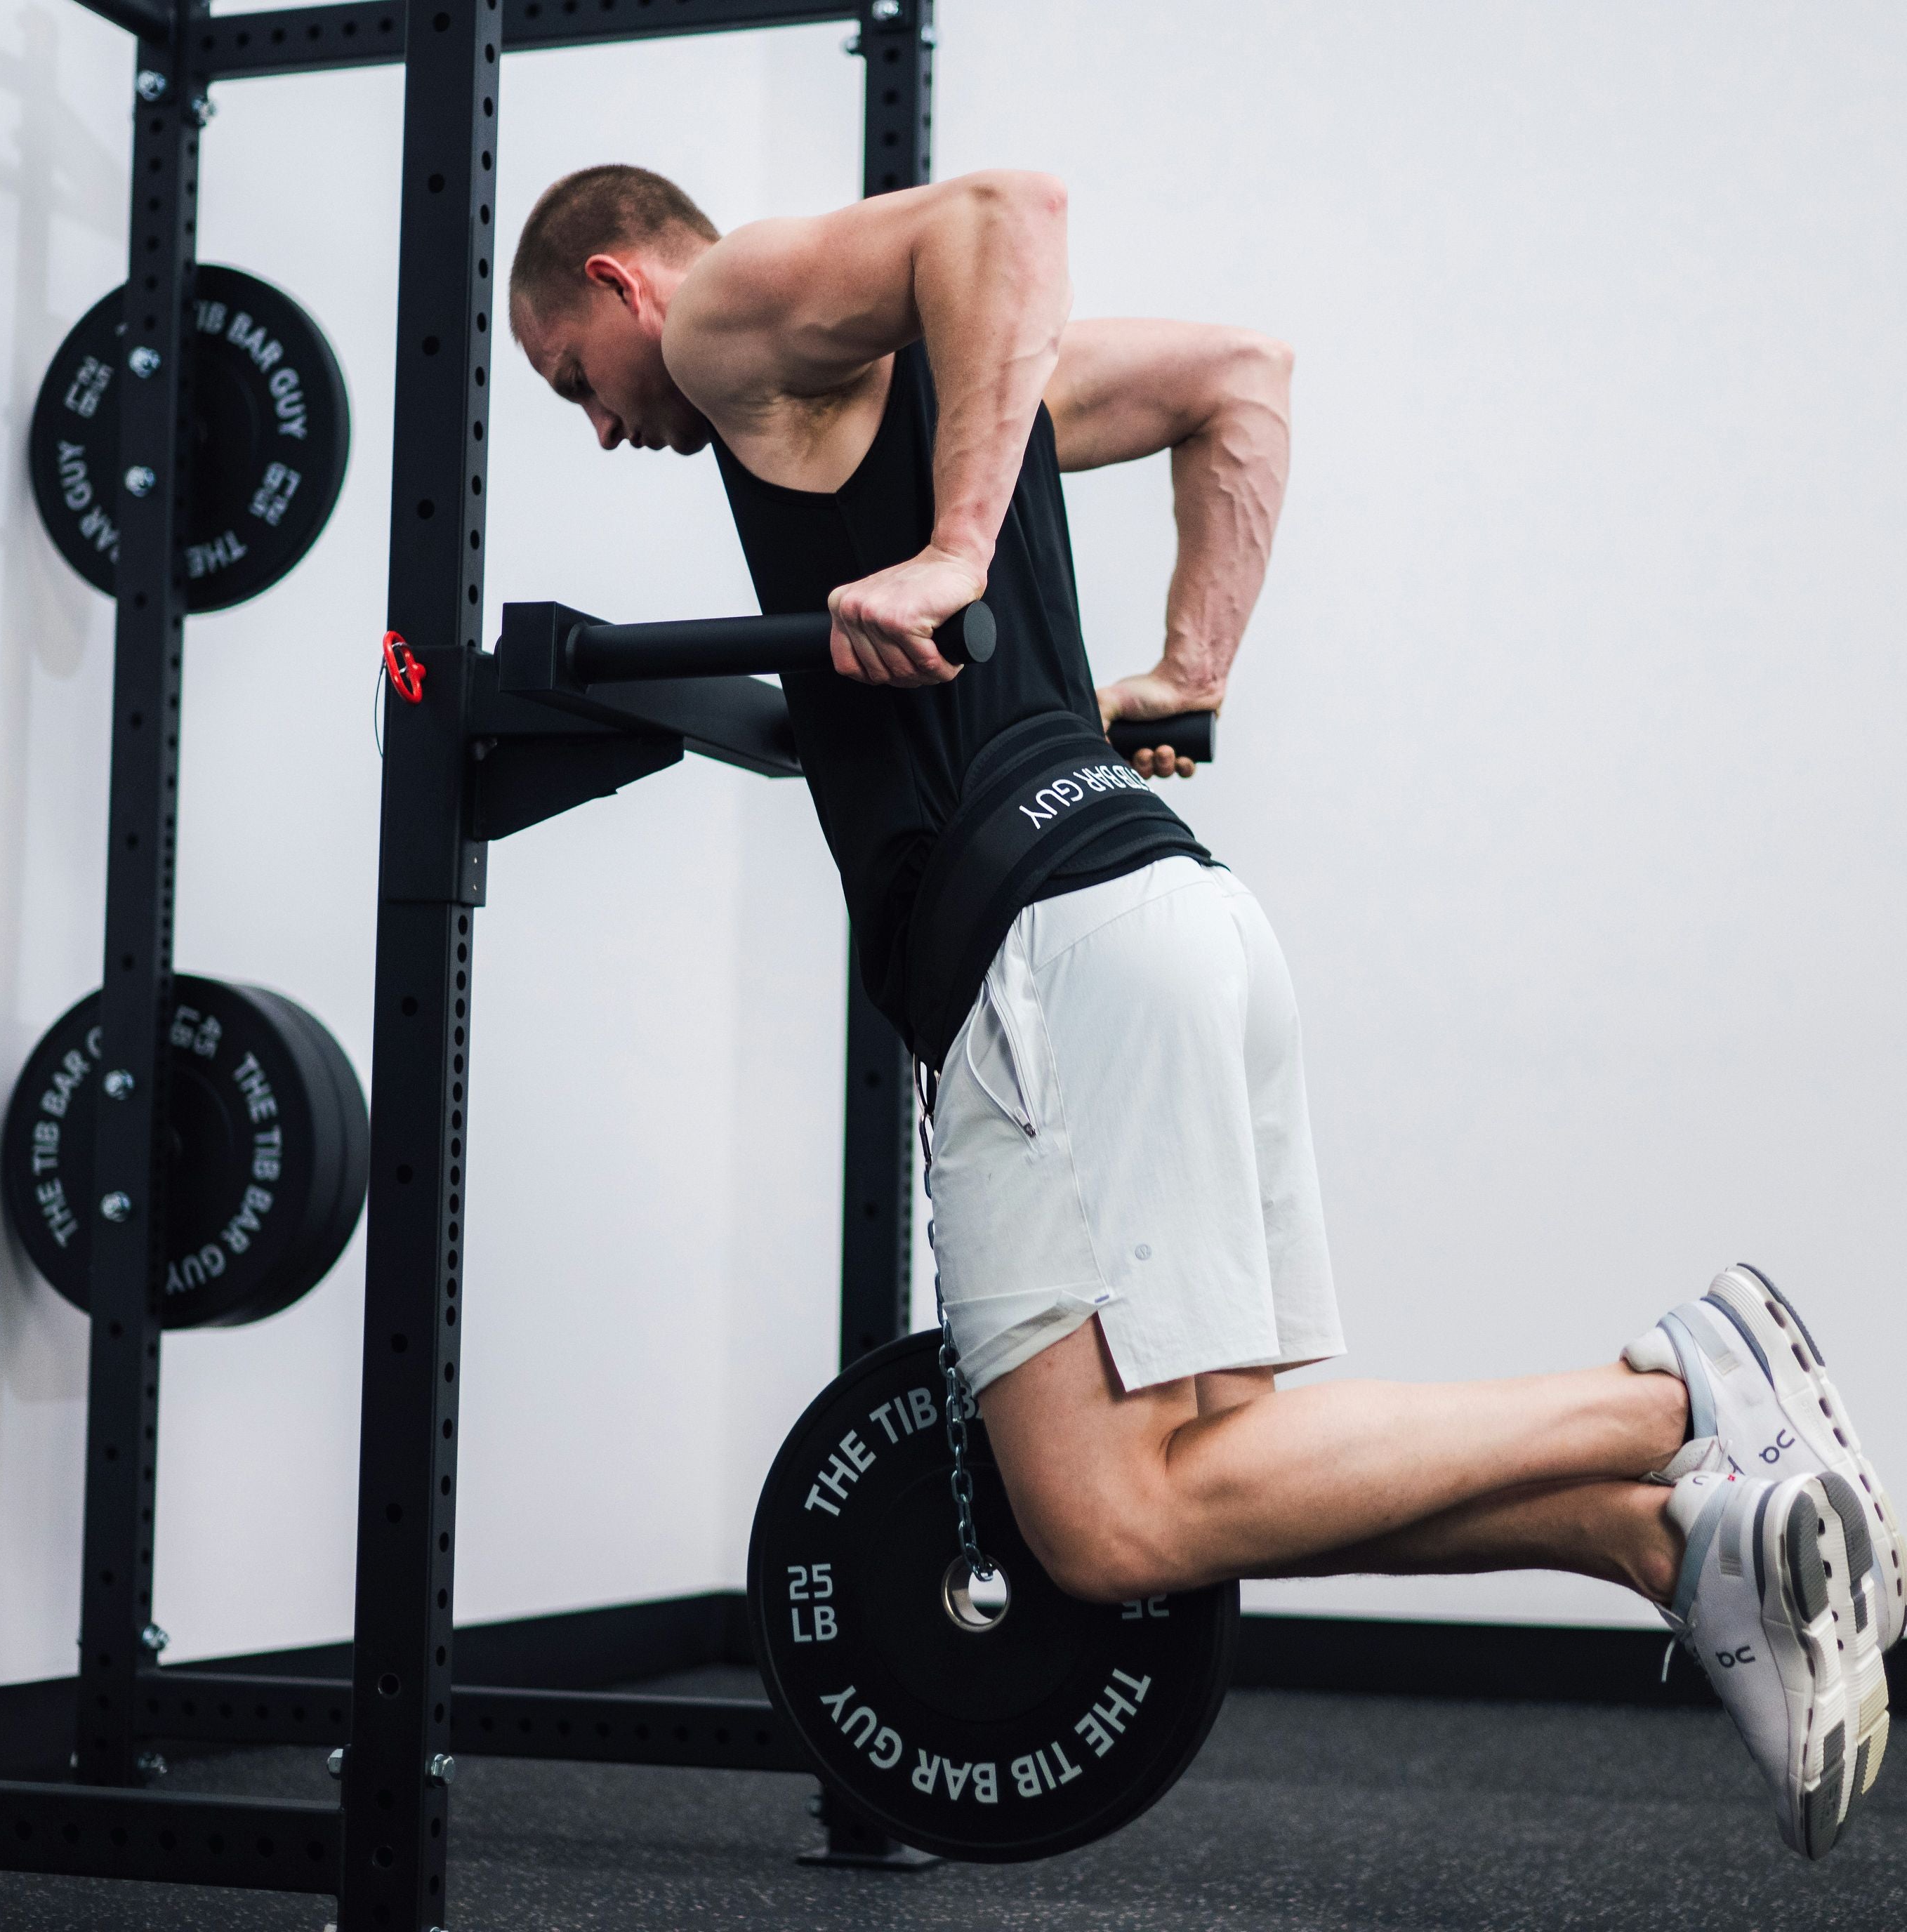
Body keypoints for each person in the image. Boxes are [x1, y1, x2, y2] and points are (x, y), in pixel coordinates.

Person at [507, 163, 1899, 1859]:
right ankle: (1664, 1544)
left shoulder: (723, 320)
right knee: (1229, 1467)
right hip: (1170, 917)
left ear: (622, 284)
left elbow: (1002, 211)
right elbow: (1240, 377)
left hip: (1050, 959)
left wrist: (955, 551)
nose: (595, 425)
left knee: (1099, 1522)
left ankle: (1674, 1395)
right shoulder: (959, 388)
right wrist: (1187, 666)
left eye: (572, 377)